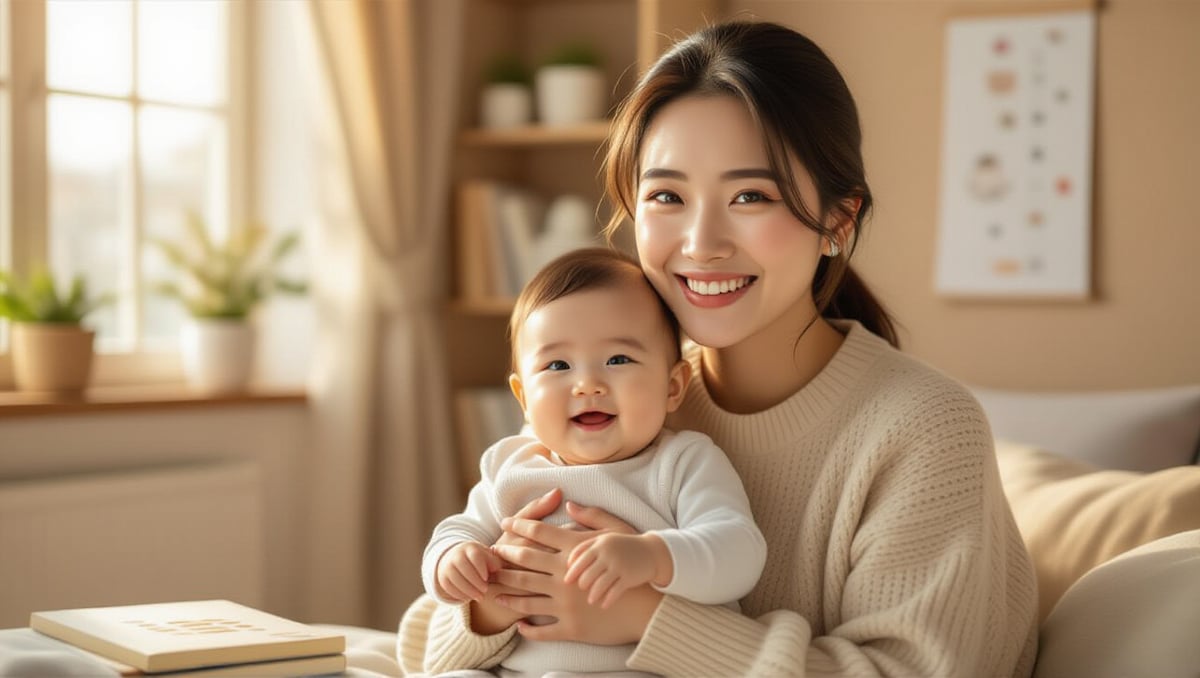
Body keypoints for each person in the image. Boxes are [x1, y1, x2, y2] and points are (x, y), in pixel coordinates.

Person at [401, 19, 1038, 677]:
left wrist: (646, 618)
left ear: (838, 220)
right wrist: (492, 602)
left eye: (750, 196)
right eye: (667, 196)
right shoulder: (610, 397)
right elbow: (425, 643)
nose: (702, 243)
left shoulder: (926, 429)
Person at [420, 247, 766, 676]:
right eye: (557, 365)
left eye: (618, 359)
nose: (587, 384)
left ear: (673, 386)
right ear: (524, 398)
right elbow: (459, 528)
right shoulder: (511, 465)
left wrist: (653, 556)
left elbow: (739, 552)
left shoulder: (682, 463)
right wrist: (453, 558)